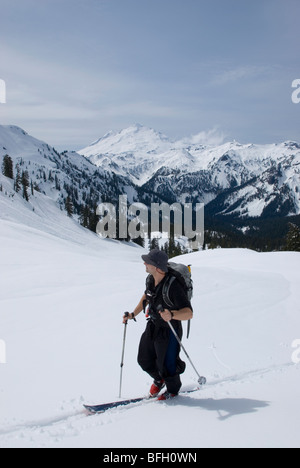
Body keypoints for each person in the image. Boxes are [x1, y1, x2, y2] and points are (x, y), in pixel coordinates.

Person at [123, 249, 193, 400]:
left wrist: (172, 314)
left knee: (168, 364)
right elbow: (147, 296)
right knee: (144, 359)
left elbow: (189, 313)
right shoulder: (150, 279)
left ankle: (173, 390)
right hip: (154, 325)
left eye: (147, 262)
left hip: (170, 328)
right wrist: (133, 314)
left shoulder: (173, 286)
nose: (144, 263)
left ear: (156, 266)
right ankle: (159, 379)